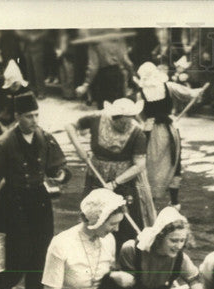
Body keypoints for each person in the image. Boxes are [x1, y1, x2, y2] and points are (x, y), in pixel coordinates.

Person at [0, 90, 70, 289]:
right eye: (29, 116)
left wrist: (60, 174)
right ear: (17, 116)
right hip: (13, 204)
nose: (34, 120)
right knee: (16, 257)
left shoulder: (45, 137)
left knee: (41, 255)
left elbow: (59, 166)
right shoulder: (4, 143)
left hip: (39, 201)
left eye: (37, 115)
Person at [66, 97, 156, 250]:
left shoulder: (137, 133)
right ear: (114, 117)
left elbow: (139, 165)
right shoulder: (97, 119)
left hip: (123, 182)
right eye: (122, 122)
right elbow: (70, 126)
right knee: (92, 217)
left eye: (130, 120)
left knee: (123, 224)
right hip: (95, 178)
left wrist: (115, 183)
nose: (126, 125)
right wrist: (79, 148)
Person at [118, 205, 206, 289]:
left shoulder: (180, 258)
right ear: (160, 237)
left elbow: (194, 278)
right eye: (173, 240)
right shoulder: (132, 251)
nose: (178, 246)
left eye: (182, 240)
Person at [135, 62, 206, 208]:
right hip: (169, 130)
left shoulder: (140, 94)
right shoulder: (169, 86)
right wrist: (198, 91)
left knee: (152, 165)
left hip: (151, 132)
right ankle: (174, 201)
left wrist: (145, 122)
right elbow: (189, 93)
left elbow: (138, 114)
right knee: (173, 162)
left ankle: (151, 201)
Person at [76, 29, 135, 109]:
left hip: (103, 78)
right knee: (119, 109)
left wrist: (86, 84)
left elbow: (93, 66)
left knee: (105, 110)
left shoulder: (95, 43)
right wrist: (133, 75)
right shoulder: (118, 39)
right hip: (118, 75)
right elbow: (127, 61)